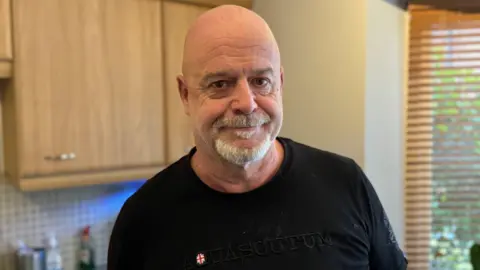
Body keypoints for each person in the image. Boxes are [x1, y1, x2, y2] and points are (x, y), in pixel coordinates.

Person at [107, 4, 408, 270]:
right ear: (185, 95)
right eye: (220, 83)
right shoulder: (144, 219)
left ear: (280, 83)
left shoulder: (346, 183)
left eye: (260, 81)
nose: (246, 103)